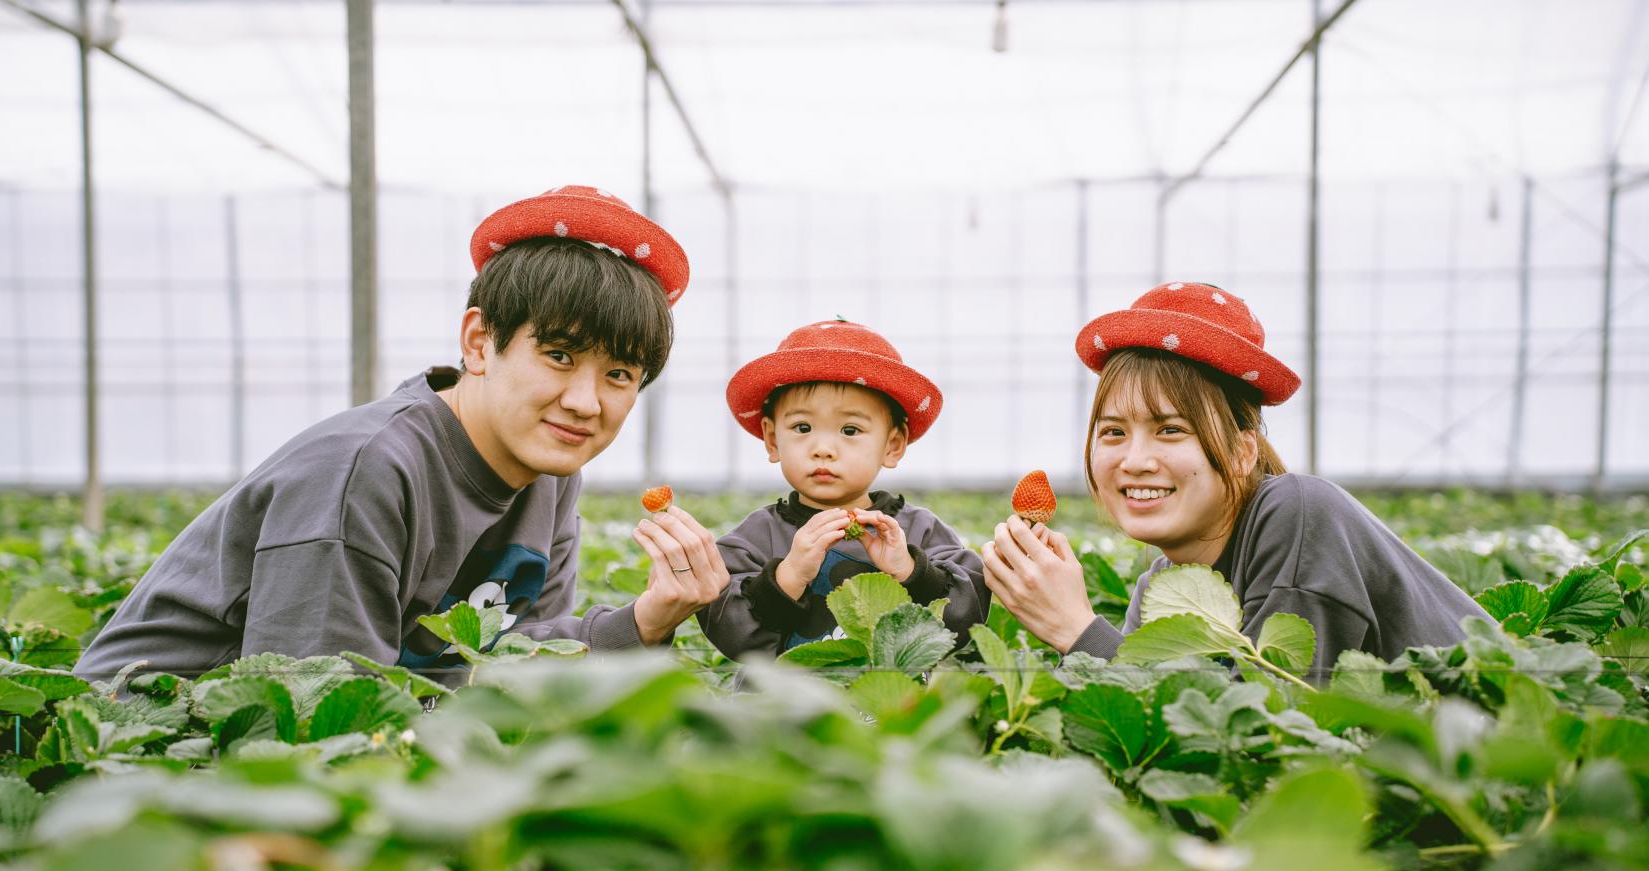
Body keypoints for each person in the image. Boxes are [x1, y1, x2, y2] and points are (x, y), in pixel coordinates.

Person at [76, 186, 730, 678]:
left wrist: (645, 619)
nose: (585, 401)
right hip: (152, 751)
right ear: (479, 342)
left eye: (618, 373)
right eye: (558, 355)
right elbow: (317, 707)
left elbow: (511, 659)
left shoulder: (549, 474)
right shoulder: (364, 469)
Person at [981, 281, 1488, 680]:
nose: (1134, 460)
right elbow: (1174, 726)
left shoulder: (1301, 513)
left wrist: (1077, 629)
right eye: (1113, 431)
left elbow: (1271, 727)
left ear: (1243, 451)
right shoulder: (1161, 590)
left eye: (1170, 430)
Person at [697, 320, 988, 657]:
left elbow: (967, 620)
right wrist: (788, 576)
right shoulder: (754, 538)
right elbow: (728, 631)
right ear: (773, 439)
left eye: (850, 430)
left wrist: (910, 571)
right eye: (802, 427)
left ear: (893, 445)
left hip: (899, 705)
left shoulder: (920, 532)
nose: (823, 448)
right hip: (781, 707)